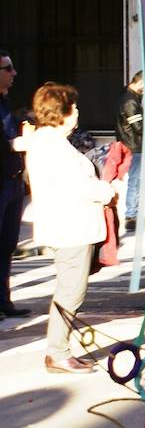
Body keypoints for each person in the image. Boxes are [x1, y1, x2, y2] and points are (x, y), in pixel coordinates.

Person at [22, 83, 116, 373]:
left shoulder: (49, 142)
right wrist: (108, 191)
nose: (77, 113)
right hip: (71, 226)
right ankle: (58, 352)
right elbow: (79, 186)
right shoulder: (52, 146)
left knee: (70, 289)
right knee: (70, 291)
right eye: (73, 108)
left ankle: (59, 350)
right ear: (60, 113)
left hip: (70, 225)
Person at [0, 50, 31, 320]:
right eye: (7, 69)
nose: (13, 73)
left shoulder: (6, 102)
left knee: (8, 243)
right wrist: (11, 145)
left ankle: (4, 301)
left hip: (12, 181)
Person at [115, 72, 145, 232]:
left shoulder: (127, 95)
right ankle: (132, 215)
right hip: (135, 144)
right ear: (140, 83)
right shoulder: (130, 101)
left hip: (131, 143)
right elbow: (139, 127)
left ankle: (133, 214)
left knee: (136, 179)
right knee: (136, 179)